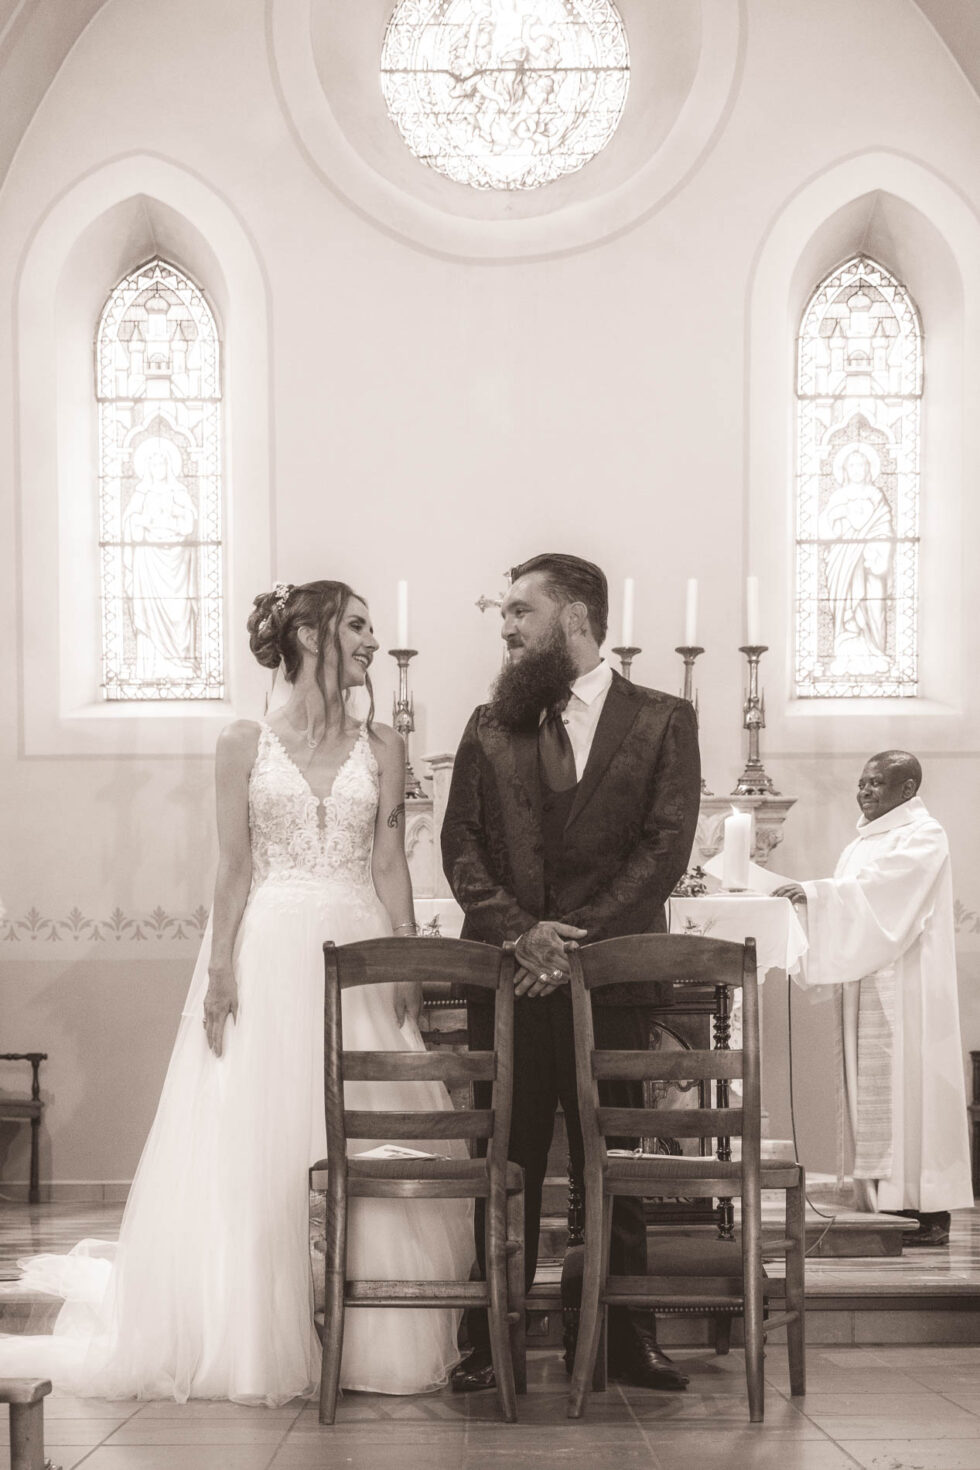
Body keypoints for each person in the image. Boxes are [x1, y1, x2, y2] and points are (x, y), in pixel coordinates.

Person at [0, 579, 472, 1402]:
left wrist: (407, 966)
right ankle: (253, 1331)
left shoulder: (386, 748)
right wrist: (220, 969)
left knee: (367, 1133)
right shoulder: (240, 745)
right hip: (269, 951)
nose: (371, 642)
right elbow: (233, 866)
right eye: (357, 626)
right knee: (258, 1138)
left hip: (358, 950)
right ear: (311, 635)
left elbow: (391, 863)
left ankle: (374, 1338)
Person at [441, 553, 701, 1392]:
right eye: (505, 614)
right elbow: (462, 846)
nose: (506, 626)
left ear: (578, 617)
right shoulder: (490, 724)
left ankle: (626, 1336)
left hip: (613, 982)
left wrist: (579, 945)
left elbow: (665, 846)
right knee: (503, 1164)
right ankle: (489, 1339)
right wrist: (524, 937)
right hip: (513, 985)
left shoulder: (663, 721)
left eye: (521, 610)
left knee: (612, 1159)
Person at [775, 751, 972, 1246]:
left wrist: (815, 895)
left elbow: (882, 895)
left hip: (908, 991)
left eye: (877, 783)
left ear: (907, 790)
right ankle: (883, 1203)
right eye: (861, 782)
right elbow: (855, 896)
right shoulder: (863, 840)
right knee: (876, 1092)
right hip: (870, 981)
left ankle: (925, 1210)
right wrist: (813, 900)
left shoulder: (924, 835)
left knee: (910, 1091)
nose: (864, 791)